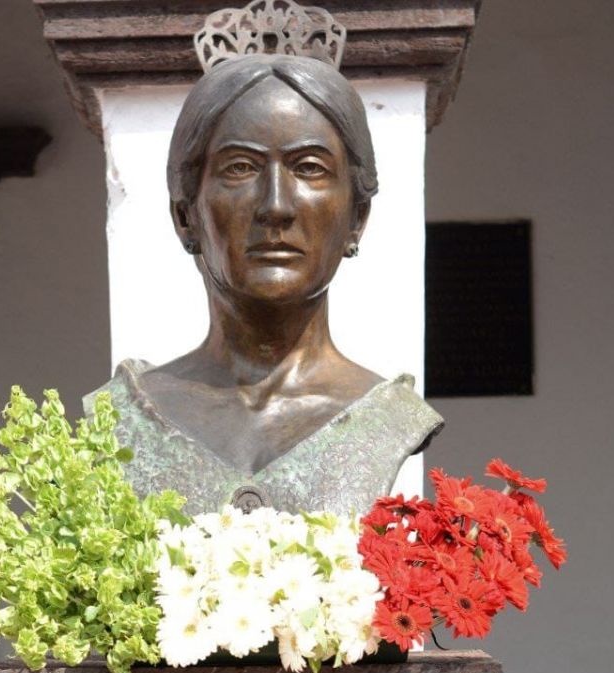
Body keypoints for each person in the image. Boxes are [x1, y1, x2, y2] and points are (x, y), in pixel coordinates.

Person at [85, 41, 443, 516]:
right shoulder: (123, 417)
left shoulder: (390, 417)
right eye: (241, 168)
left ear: (357, 218)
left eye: (309, 168)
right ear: (185, 216)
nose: (276, 205)